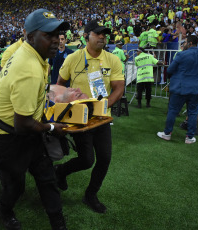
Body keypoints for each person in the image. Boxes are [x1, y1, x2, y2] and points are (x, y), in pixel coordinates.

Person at [0, 9, 69, 230]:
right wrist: (51, 127)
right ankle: (5, 209)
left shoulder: (33, 55)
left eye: (58, 34)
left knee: (47, 177)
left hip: (22, 129)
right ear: (30, 37)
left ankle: (58, 223)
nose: (56, 40)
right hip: (4, 137)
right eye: (48, 34)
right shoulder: (29, 67)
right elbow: (23, 125)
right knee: (15, 186)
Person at [56, 20, 125, 214]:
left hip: (102, 118)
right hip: (79, 119)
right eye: (98, 33)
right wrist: (62, 113)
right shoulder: (73, 58)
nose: (103, 36)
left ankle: (91, 195)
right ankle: (60, 172)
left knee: (104, 158)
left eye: (105, 34)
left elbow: (119, 88)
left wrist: (104, 106)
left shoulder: (112, 59)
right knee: (86, 160)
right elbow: (60, 85)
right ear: (86, 36)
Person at [157, 35, 198, 144]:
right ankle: (189, 137)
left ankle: (167, 134)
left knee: (173, 111)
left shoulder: (181, 54)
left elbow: (170, 69)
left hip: (180, 88)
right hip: (197, 89)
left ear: (189, 43)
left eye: (185, 42)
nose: (184, 44)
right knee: (193, 113)